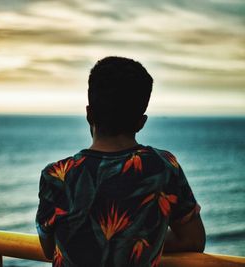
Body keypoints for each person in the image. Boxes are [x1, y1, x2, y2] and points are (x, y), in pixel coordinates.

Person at [35, 56, 205, 267]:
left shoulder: (57, 175)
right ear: (141, 122)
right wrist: (138, 241)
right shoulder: (163, 167)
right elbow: (193, 239)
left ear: (89, 114)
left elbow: (48, 248)